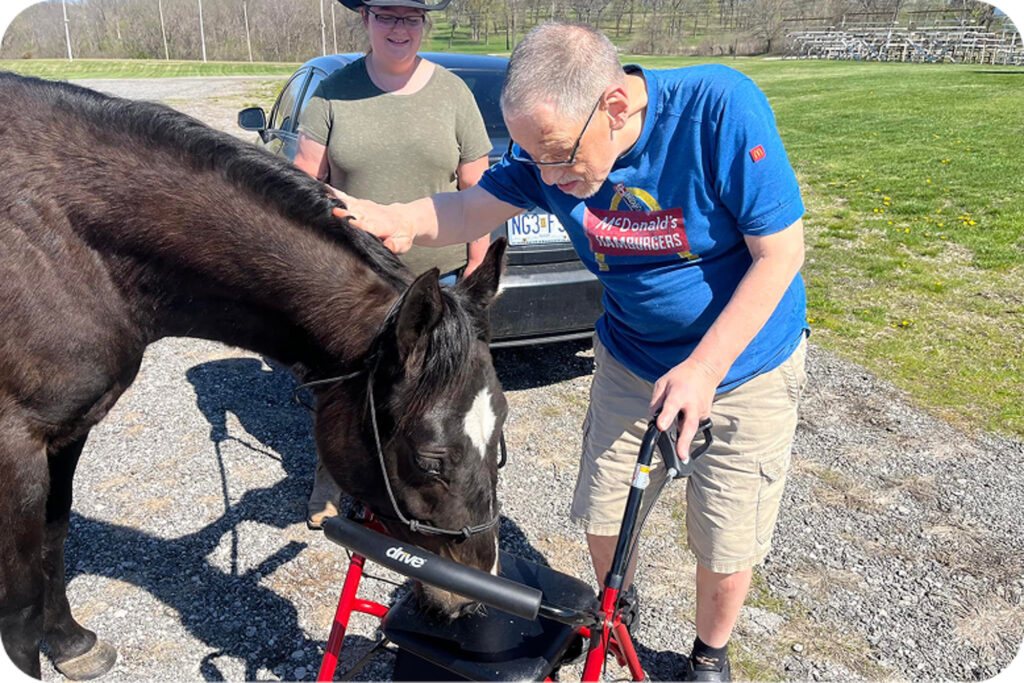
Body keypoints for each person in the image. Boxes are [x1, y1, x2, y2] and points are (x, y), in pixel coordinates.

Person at [338, 22, 808, 681]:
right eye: (534, 159)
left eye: (559, 157)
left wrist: (705, 368)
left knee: (726, 533)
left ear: (615, 107)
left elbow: (781, 254)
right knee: (604, 504)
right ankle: (620, 605)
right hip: (631, 357)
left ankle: (709, 654)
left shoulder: (719, 110)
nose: (549, 178)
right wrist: (403, 219)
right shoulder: (548, 160)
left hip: (743, 365)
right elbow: (472, 208)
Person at [293, 0, 493, 529]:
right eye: (386, 15)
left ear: (423, 24)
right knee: (345, 389)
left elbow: (477, 187)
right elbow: (303, 182)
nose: (399, 28)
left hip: (437, 283)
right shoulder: (332, 93)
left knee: (435, 398)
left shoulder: (454, 94)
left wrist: (477, 266)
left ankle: (424, 486)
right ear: (365, 19)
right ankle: (332, 473)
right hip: (356, 282)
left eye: (410, 17)